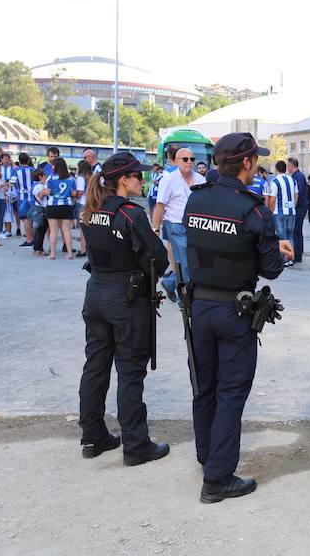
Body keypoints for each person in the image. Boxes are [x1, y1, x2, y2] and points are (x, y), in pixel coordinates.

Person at [184, 132, 292, 503]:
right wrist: (276, 245)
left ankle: (207, 456)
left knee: (205, 388)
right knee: (230, 393)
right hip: (235, 311)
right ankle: (217, 478)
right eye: (255, 161)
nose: (257, 167)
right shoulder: (253, 209)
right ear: (246, 163)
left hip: (199, 308)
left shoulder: (195, 200)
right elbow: (272, 269)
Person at [78, 151, 170, 467]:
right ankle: (136, 444)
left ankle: (92, 436)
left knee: (96, 366)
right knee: (130, 371)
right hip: (126, 298)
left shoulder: (91, 208)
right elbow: (158, 257)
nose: (142, 181)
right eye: (138, 176)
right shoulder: (131, 214)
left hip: (97, 293)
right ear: (123, 180)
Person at [153, 148, 206, 299]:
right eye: (185, 159)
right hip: (175, 225)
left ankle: (170, 283)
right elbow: (160, 206)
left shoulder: (201, 180)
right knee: (185, 263)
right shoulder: (168, 180)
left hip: (196, 226)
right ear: (176, 161)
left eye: (192, 159)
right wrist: (155, 230)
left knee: (194, 262)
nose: (189, 162)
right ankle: (184, 301)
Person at [267, 160, 298, 266]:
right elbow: (296, 195)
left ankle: (284, 259)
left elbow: (272, 199)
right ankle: (290, 259)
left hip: (279, 211)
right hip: (291, 211)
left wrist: (271, 211)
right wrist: (293, 206)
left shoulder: (275, 181)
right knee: (290, 236)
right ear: (285, 168)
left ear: (276, 169)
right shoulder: (293, 180)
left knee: (282, 236)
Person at [46, 158, 76, 259]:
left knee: (53, 230)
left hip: (53, 205)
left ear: (56, 166)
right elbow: (74, 193)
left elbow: (48, 191)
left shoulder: (51, 178)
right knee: (66, 230)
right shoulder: (71, 179)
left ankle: (52, 254)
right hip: (66, 205)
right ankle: (70, 253)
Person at [14, 153, 35, 247]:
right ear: (28, 160)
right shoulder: (33, 170)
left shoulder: (15, 171)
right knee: (34, 218)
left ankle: (29, 239)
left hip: (22, 197)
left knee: (25, 218)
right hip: (33, 196)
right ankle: (34, 237)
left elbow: (12, 183)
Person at [73, 160, 92, 257]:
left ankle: (83, 249)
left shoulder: (81, 178)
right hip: (91, 204)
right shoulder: (93, 177)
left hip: (82, 204)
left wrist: (73, 195)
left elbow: (80, 192)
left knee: (82, 228)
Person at [30, 168, 49, 256]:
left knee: (39, 230)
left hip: (37, 209)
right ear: (40, 176)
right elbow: (41, 196)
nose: (46, 176)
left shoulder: (35, 185)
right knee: (41, 230)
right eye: (45, 175)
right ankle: (39, 249)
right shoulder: (39, 186)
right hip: (41, 209)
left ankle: (36, 248)